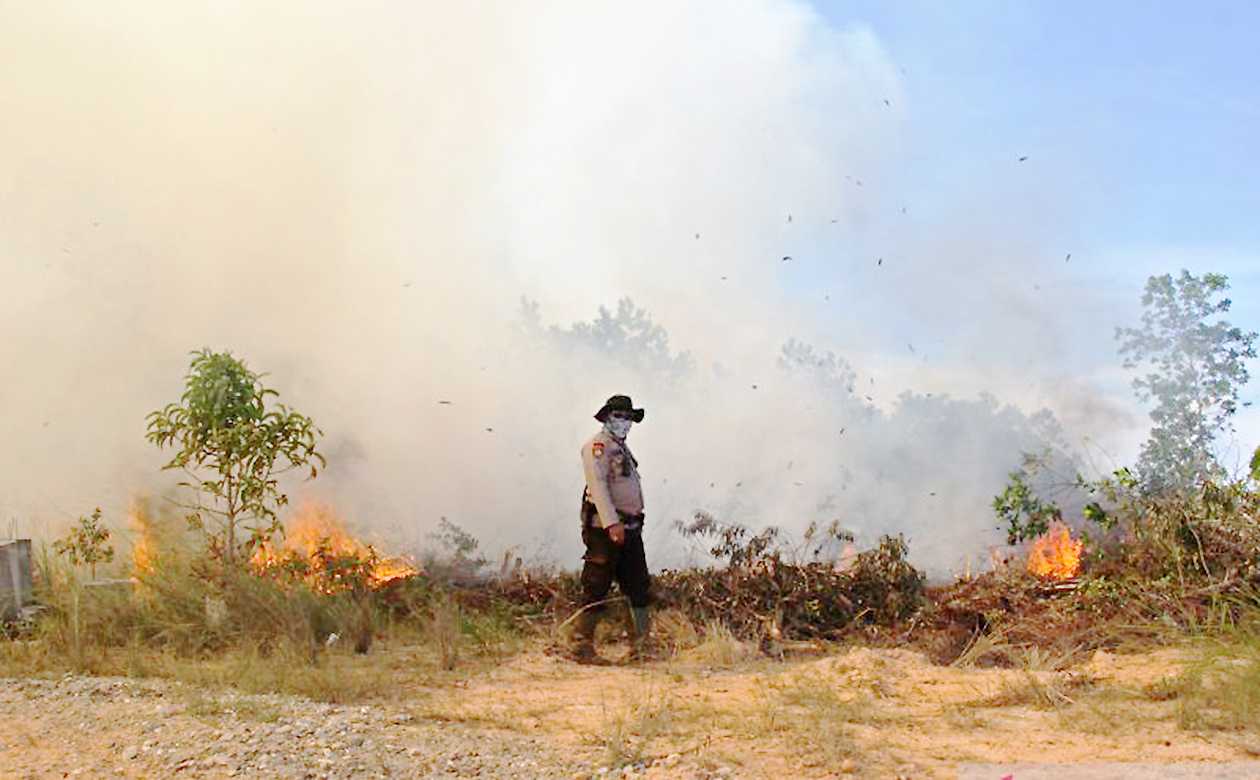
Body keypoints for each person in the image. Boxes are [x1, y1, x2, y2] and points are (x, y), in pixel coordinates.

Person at [569, 394, 652, 664]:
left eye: (628, 417)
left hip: (630, 527)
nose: (624, 422)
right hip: (605, 529)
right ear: (606, 417)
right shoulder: (598, 447)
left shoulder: (621, 448)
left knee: (638, 585)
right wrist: (612, 523)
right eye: (618, 416)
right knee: (597, 584)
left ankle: (641, 647)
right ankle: (582, 647)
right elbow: (598, 487)